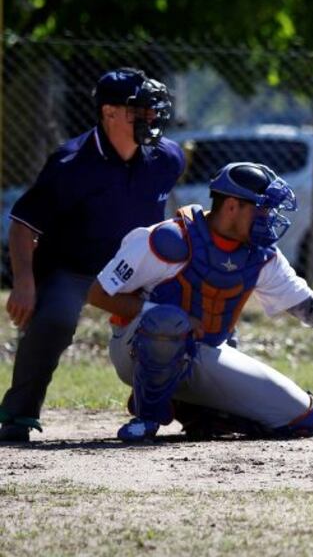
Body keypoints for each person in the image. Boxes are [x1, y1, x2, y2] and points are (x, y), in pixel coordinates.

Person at [86, 161, 313, 442]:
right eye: (263, 210)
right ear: (232, 206)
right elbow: (98, 293)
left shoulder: (262, 256)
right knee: (169, 321)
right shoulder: (167, 239)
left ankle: (199, 409)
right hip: (135, 352)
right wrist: (157, 312)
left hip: (203, 352)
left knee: (305, 419)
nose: (270, 219)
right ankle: (147, 418)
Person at [0, 68, 184, 443]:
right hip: (75, 268)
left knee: (183, 313)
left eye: (153, 109)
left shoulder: (168, 158)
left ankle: (194, 408)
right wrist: (23, 284)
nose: (151, 117)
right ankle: (18, 416)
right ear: (109, 113)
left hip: (135, 269)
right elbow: (22, 225)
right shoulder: (70, 163)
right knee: (54, 319)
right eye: (139, 110)